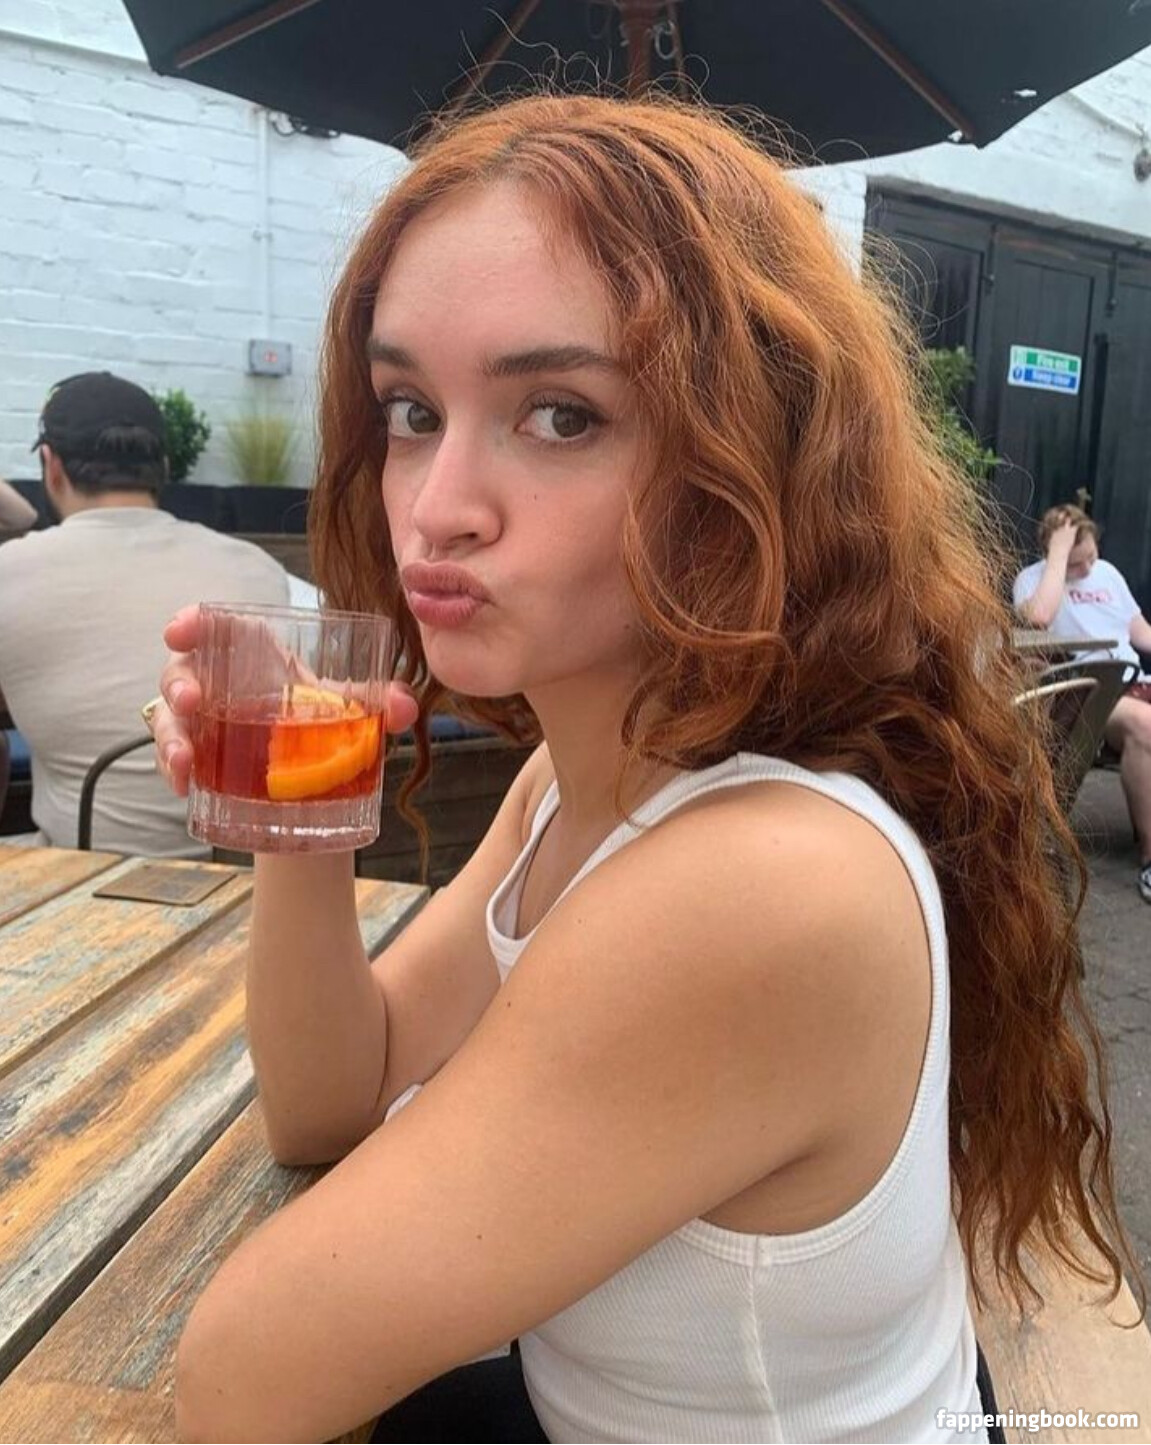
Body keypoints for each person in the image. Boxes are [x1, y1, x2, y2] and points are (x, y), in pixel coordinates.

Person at [147, 95, 1140, 1444]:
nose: (436, 506)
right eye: (410, 409)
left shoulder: (752, 881)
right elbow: (331, 1100)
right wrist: (298, 820)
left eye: (560, 414)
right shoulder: (574, 789)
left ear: (751, 460)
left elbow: (240, 1379)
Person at [0, 371, 290, 856]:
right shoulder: (257, 566)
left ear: (52, 467)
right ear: (164, 468)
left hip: (81, 875)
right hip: (244, 872)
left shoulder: (9, 571)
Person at [1014, 504, 1151, 903]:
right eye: (1076, 563)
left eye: (1091, 556)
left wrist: (1080, 560)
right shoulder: (1033, 580)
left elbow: (1140, 633)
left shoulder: (1107, 573)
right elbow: (1039, 618)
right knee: (1145, 726)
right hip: (1089, 690)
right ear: (1052, 552)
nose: (1087, 568)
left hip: (1135, 681)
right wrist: (1059, 558)